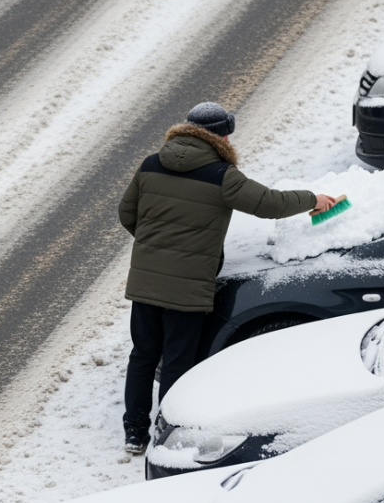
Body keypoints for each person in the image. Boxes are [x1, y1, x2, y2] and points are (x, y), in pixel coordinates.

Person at [117, 102, 339, 454]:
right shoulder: (221, 175)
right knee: (178, 360)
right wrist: (313, 199)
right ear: (221, 136)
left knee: (143, 354)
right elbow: (268, 203)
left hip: (146, 281)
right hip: (187, 285)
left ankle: (133, 433)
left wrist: (153, 247)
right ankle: (167, 433)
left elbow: (127, 213)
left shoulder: (151, 164)